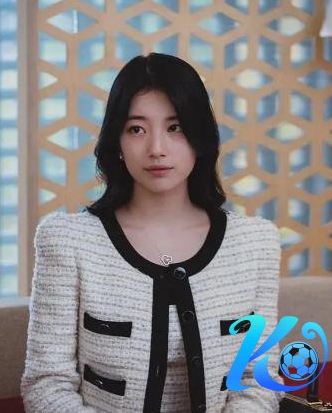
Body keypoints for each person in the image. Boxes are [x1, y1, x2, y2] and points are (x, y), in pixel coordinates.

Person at [20, 53, 283, 412]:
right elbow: (46, 384)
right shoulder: (67, 240)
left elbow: (259, 378)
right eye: (136, 129)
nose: (157, 149)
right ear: (117, 142)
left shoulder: (256, 242)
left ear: (200, 138)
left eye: (175, 127)